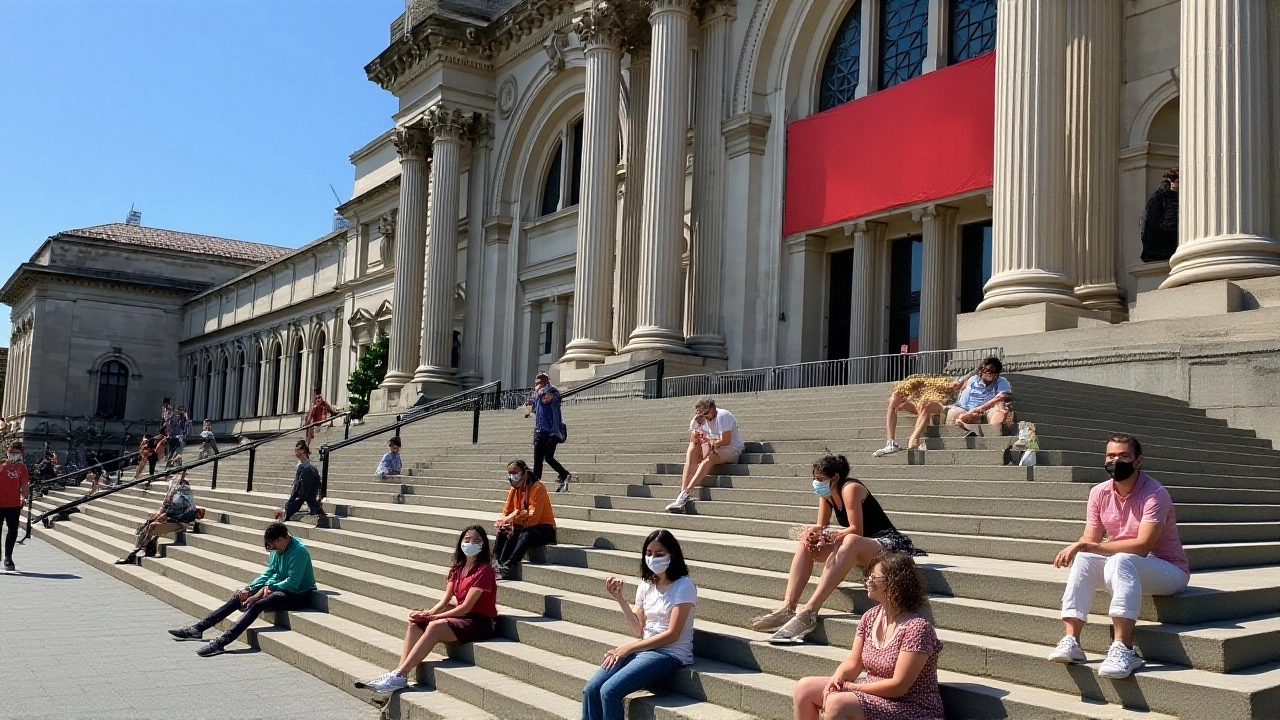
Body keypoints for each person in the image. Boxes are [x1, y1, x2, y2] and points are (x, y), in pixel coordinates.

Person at [1048, 434, 1189, 679]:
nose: (1116, 461)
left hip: (1168, 569)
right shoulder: (1099, 493)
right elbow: (1090, 541)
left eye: (1124, 456)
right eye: (1111, 456)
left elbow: (1143, 546)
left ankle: (1123, 648)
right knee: (1084, 559)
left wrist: (1087, 546)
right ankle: (1072, 641)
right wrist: (1081, 547)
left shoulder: (1155, 494)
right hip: (1124, 566)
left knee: (1120, 559)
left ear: (1138, 460)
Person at [757, 455, 920, 642]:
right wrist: (814, 533)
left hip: (886, 542)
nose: (815, 483)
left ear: (834, 477)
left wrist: (832, 535)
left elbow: (856, 529)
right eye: (814, 478)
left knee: (849, 540)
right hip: (859, 544)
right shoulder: (826, 495)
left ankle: (810, 612)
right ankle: (788, 607)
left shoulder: (851, 488)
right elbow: (823, 525)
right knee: (806, 545)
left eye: (819, 479)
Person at [792, 553, 944, 720]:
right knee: (804, 688)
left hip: (911, 707)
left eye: (874, 577)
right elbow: (853, 663)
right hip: (872, 694)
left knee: (837, 703)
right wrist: (838, 679)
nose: (867, 581)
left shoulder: (917, 628)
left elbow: (899, 686)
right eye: (868, 576)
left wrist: (854, 688)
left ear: (894, 583)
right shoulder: (870, 617)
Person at [356, 525, 498, 693]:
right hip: (464, 617)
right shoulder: (457, 569)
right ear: (460, 543)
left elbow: (466, 608)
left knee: (435, 626)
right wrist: (428, 613)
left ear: (483, 545)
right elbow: (445, 601)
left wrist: (435, 619)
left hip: (481, 622)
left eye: (476, 540)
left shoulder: (485, 570)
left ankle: (399, 674)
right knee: (416, 623)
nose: (471, 543)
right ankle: (399, 675)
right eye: (467, 539)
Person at [582, 529, 697, 720]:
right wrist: (619, 598)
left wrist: (627, 649)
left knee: (609, 692)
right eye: (649, 553)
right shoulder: (646, 584)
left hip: (669, 653)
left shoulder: (684, 586)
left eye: (659, 553)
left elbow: (672, 634)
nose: (653, 558)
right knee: (591, 690)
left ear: (672, 555)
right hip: (644, 649)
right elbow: (637, 629)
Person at [169, 522, 316, 657]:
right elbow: (270, 572)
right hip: (277, 585)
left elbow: (293, 582)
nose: (271, 549)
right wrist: (249, 588)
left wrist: (264, 591)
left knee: (257, 604)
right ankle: (198, 629)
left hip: (298, 593)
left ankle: (221, 642)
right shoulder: (278, 549)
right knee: (239, 596)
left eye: (272, 545)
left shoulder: (299, 551)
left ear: (281, 539)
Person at [665, 397, 744, 512]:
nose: (705, 417)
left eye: (706, 414)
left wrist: (711, 442)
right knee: (692, 448)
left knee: (709, 458)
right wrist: (698, 431)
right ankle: (683, 492)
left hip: (731, 450)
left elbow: (726, 441)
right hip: (714, 448)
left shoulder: (723, 416)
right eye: (702, 415)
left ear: (713, 408)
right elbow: (693, 439)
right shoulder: (700, 419)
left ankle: (685, 494)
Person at [871, 371, 971, 457]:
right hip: (916, 399)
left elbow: (956, 386)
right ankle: (890, 443)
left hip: (933, 402)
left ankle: (915, 440)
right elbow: (897, 401)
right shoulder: (909, 388)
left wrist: (955, 385)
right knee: (897, 400)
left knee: (924, 405)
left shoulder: (937, 386)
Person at [116, 470, 198, 565]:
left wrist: (163, 516)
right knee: (147, 524)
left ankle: (140, 550)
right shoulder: (173, 492)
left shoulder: (183, 492)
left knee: (153, 526)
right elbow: (165, 505)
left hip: (182, 521)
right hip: (173, 518)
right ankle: (136, 551)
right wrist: (158, 513)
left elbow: (175, 510)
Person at [492, 460, 557, 580]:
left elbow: (533, 517)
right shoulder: (514, 489)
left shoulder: (537, 487)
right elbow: (506, 512)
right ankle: (496, 562)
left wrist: (514, 518)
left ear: (524, 472)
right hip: (523, 524)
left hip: (544, 528)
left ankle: (509, 565)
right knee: (504, 530)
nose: (512, 476)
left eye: (515, 472)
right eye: (509, 473)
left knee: (524, 533)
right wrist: (504, 522)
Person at [943, 357, 1011, 436]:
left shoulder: (1002, 381)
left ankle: (992, 437)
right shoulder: (973, 379)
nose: (989, 373)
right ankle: (958, 435)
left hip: (987, 411)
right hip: (967, 409)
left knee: (998, 412)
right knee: (953, 413)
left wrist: (980, 409)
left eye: (993, 372)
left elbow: (1000, 398)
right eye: (987, 370)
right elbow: (960, 393)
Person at [528, 372, 571, 493]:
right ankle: (561, 475)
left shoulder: (551, 390)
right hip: (540, 429)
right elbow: (535, 408)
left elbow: (546, 398)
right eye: (536, 383)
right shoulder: (537, 394)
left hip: (551, 431)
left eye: (539, 383)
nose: (537, 385)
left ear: (545, 382)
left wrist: (538, 394)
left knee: (547, 457)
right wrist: (530, 403)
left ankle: (562, 474)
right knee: (540, 458)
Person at [274, 440, 326, 525]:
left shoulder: (306, 467)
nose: (296, 453)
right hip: (308, 495)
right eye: (295, 451)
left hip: (306, 494)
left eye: (297, 450)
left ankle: (286, 512)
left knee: (298, 497)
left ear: (303, 451)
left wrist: (287, 507)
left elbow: (300, 491)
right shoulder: (304, 466)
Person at [1, 441, 31, 572]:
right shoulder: (1, 466)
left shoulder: (22, 468)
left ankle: (8, 557)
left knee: (13, 531)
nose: (14, 455)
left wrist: (25, 496)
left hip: (13, 504)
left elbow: (24, 484)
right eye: (12, 453)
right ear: (8, 452)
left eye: (17, 453)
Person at [1140, 168, 1179, 263]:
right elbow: (1151, 223)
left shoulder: (1164, 197)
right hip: (1162, 249)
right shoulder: (1161, 197)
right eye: (1177, 181)